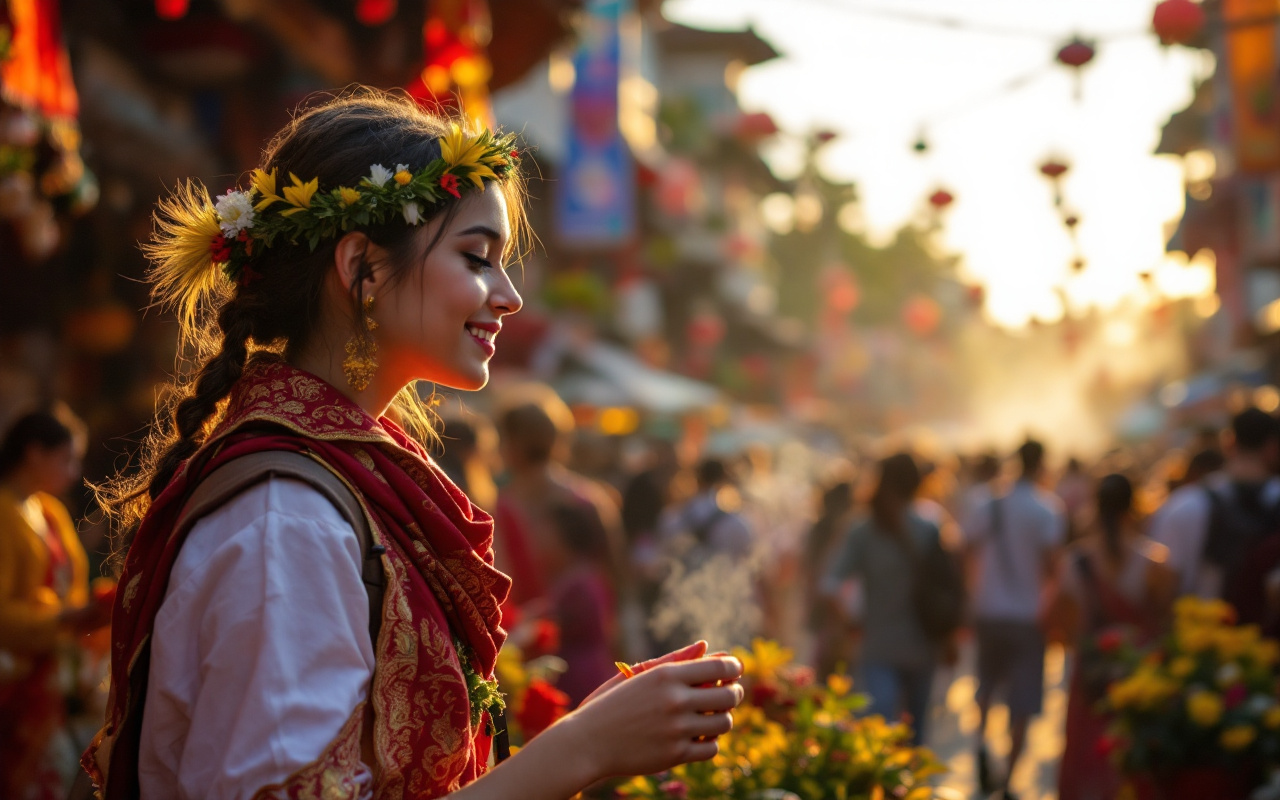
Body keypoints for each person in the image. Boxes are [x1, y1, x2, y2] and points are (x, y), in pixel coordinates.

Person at [83, 91, 743, 799]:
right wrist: (581, 750)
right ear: (362, 269)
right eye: (477, 257)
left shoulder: (335, 487)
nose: (509, 296)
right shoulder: (292, 523)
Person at [0, 409, 108, 800]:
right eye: (67, 458)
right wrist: (64, 617)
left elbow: (73, 590)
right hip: (12, 684)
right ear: (33, 453)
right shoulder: (3, 512)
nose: (74, 470)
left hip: (50, 682)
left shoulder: (50, 510)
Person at [1056, 474, 1174, 800]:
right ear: (1134, 506)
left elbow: (1062, 626)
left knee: (1088, 755)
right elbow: (1165, 622)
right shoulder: (1154, 560)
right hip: (1141, 678)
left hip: (1091, 679)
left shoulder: (1073, 561)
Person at [962, 439, 1066, 799]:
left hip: (988, 610)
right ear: (1042, 465)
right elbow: (1054, 569)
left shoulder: (986, 503)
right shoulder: (1046, 510)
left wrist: (973, 595)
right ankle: (1008, 779)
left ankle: (979, 745)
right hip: (1028, 617)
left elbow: (967, 552)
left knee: (985, 687)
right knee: (1023, 700)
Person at [823, 453, 945, 746]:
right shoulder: (930, 527)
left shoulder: (863, 529)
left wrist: (850, 624)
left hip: (878, 646)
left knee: (878, 734)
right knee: (915, 733)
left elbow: (829, 584)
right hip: (923, 645)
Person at [1148, 408, 1280, 610]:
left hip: (1204, 634)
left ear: (1229, 443)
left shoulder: (1184, 505)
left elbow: (1164, 588)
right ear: (1272, 447)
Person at [543, 502, 618, 707]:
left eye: (548, 534)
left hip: (582, 677)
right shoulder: (583, 573)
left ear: (565, 536)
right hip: (585, 670)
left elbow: (567, 622)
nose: (541, 541)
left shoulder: (579, 580)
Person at [1146, 446, 1225, 596]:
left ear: (1192, 471)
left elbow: (1167, 568)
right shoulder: (1229, 497)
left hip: (1186, 606)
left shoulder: (1178, 504)